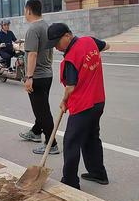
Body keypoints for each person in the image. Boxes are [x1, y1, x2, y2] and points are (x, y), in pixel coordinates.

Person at [47, 23, 110, 190]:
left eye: (57, 43)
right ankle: (98, 173)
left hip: (83, 106)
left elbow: (70, 87)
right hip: (98, 101)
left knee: (71, 142)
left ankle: (70, 181)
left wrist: (64, 101)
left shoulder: (70, 58)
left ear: (67, 35)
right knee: (91, 138)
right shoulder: (90, 41)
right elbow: (106, 46)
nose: (56, 47)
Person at [19, 0, 59, 155]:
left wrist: (29, 77)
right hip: (47, 74)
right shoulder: (45, 26)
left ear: (28, 10)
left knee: (42, 111)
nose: (24, 13)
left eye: (24, 10)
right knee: (41, 108)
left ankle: (52, 144)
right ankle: (36, 132)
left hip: (37, 76)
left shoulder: (33, 29)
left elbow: (32, 54)